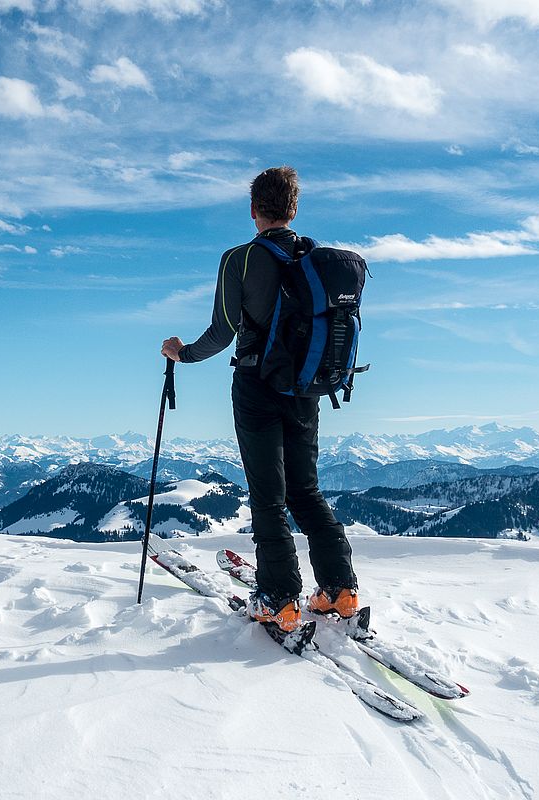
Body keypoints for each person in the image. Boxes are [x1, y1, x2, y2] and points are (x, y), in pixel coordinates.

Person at [161, 166, 359, 632]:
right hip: (307, 388)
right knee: (304, 489)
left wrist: (182, 354)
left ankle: (278, 599)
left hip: (256, 387)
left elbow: (223, 331)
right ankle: (339, 590)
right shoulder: (315, 260)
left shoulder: (240, 259)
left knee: (268, 496)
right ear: (294, 208)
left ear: (253, 210)